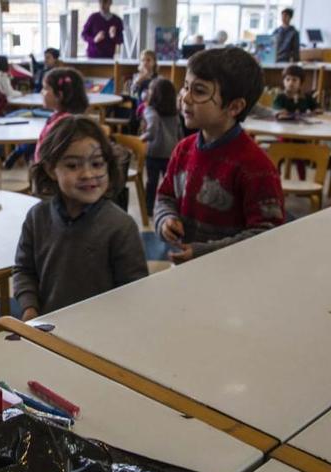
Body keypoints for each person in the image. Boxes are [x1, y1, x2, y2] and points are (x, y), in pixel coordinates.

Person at [155, 47, 285, 264]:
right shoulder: (183, 149)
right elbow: (165, 197)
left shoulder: (255, 166)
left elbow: (266, 235)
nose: (185, 98)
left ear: (234, 107)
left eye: (199, 91)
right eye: (186, 87)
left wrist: (202, 253)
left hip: (232, 277)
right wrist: (165, 219)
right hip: (186, 270)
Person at [14, 115, 146, 319]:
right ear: (51, 169)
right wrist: (29, 307)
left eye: (97, 164)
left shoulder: (121, 226)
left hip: (103, 334)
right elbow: (24, 270)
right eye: (73, 166)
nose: (87, 174)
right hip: (48, 329)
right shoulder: (36, 218)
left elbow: (135, 290)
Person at [139, 77, 182, 217]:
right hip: (171, 153)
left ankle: (148, 209)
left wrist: (141, 139)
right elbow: (179, 132)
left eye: (150, 90)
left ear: (155, 94)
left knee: (151, 182)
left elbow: (151, 131)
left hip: (154, 153)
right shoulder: (174, 112)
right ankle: (174, 209)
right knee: (170, 183)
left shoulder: (150, 110)